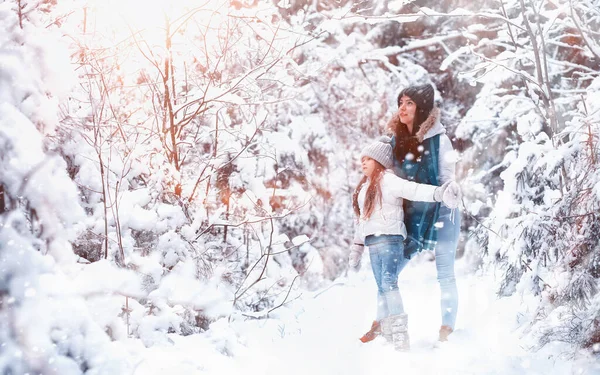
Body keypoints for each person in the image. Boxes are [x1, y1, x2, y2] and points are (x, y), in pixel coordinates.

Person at [348, 138, 460, 351]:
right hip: (373, 241)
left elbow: (414, 190)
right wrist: (357, 247)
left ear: (379, 162)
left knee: (389, 282)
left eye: (368, 159)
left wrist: (438, 193)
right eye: (362, 159)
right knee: (381, 286)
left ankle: (400, 333)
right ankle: (388, 333)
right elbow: (362, 221)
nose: (363, 163)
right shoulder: (364, 189)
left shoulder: (389, 181)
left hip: (390, 239)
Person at [389, 83, 461, 342]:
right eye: (401, 102)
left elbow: (447, 178)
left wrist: (449, 194)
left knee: (445, 272)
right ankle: (389, 327)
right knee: (391, 271)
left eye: (409, 102)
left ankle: (447, 330)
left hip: (443, 213)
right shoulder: (395, 141)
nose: (402, 107)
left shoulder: (440, 140)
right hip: (411, 216)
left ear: (421, 108)